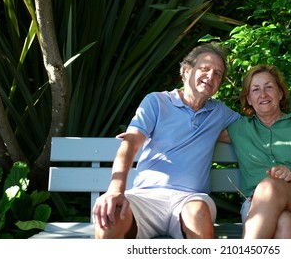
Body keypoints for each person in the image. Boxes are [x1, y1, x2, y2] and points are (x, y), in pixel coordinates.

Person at [92, 43, 241, 239]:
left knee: (198, 214)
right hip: (145, 197)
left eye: (218, 74)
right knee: (110, 222)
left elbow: (256, 131)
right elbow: (131, 143)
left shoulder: (219, 113)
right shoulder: (156, 102)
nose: (211, 76)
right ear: (186, 71)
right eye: (204, 69)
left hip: (190, 199)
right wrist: (115, 190)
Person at [219, 64, 291, 238]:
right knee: (284, 222)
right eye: (256, 89)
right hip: (258, 209)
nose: (263, 94)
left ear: (280, 93)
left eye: (269, 87)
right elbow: (198, 128)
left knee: (269, 185)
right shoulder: (239, 129)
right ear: (248, 99)